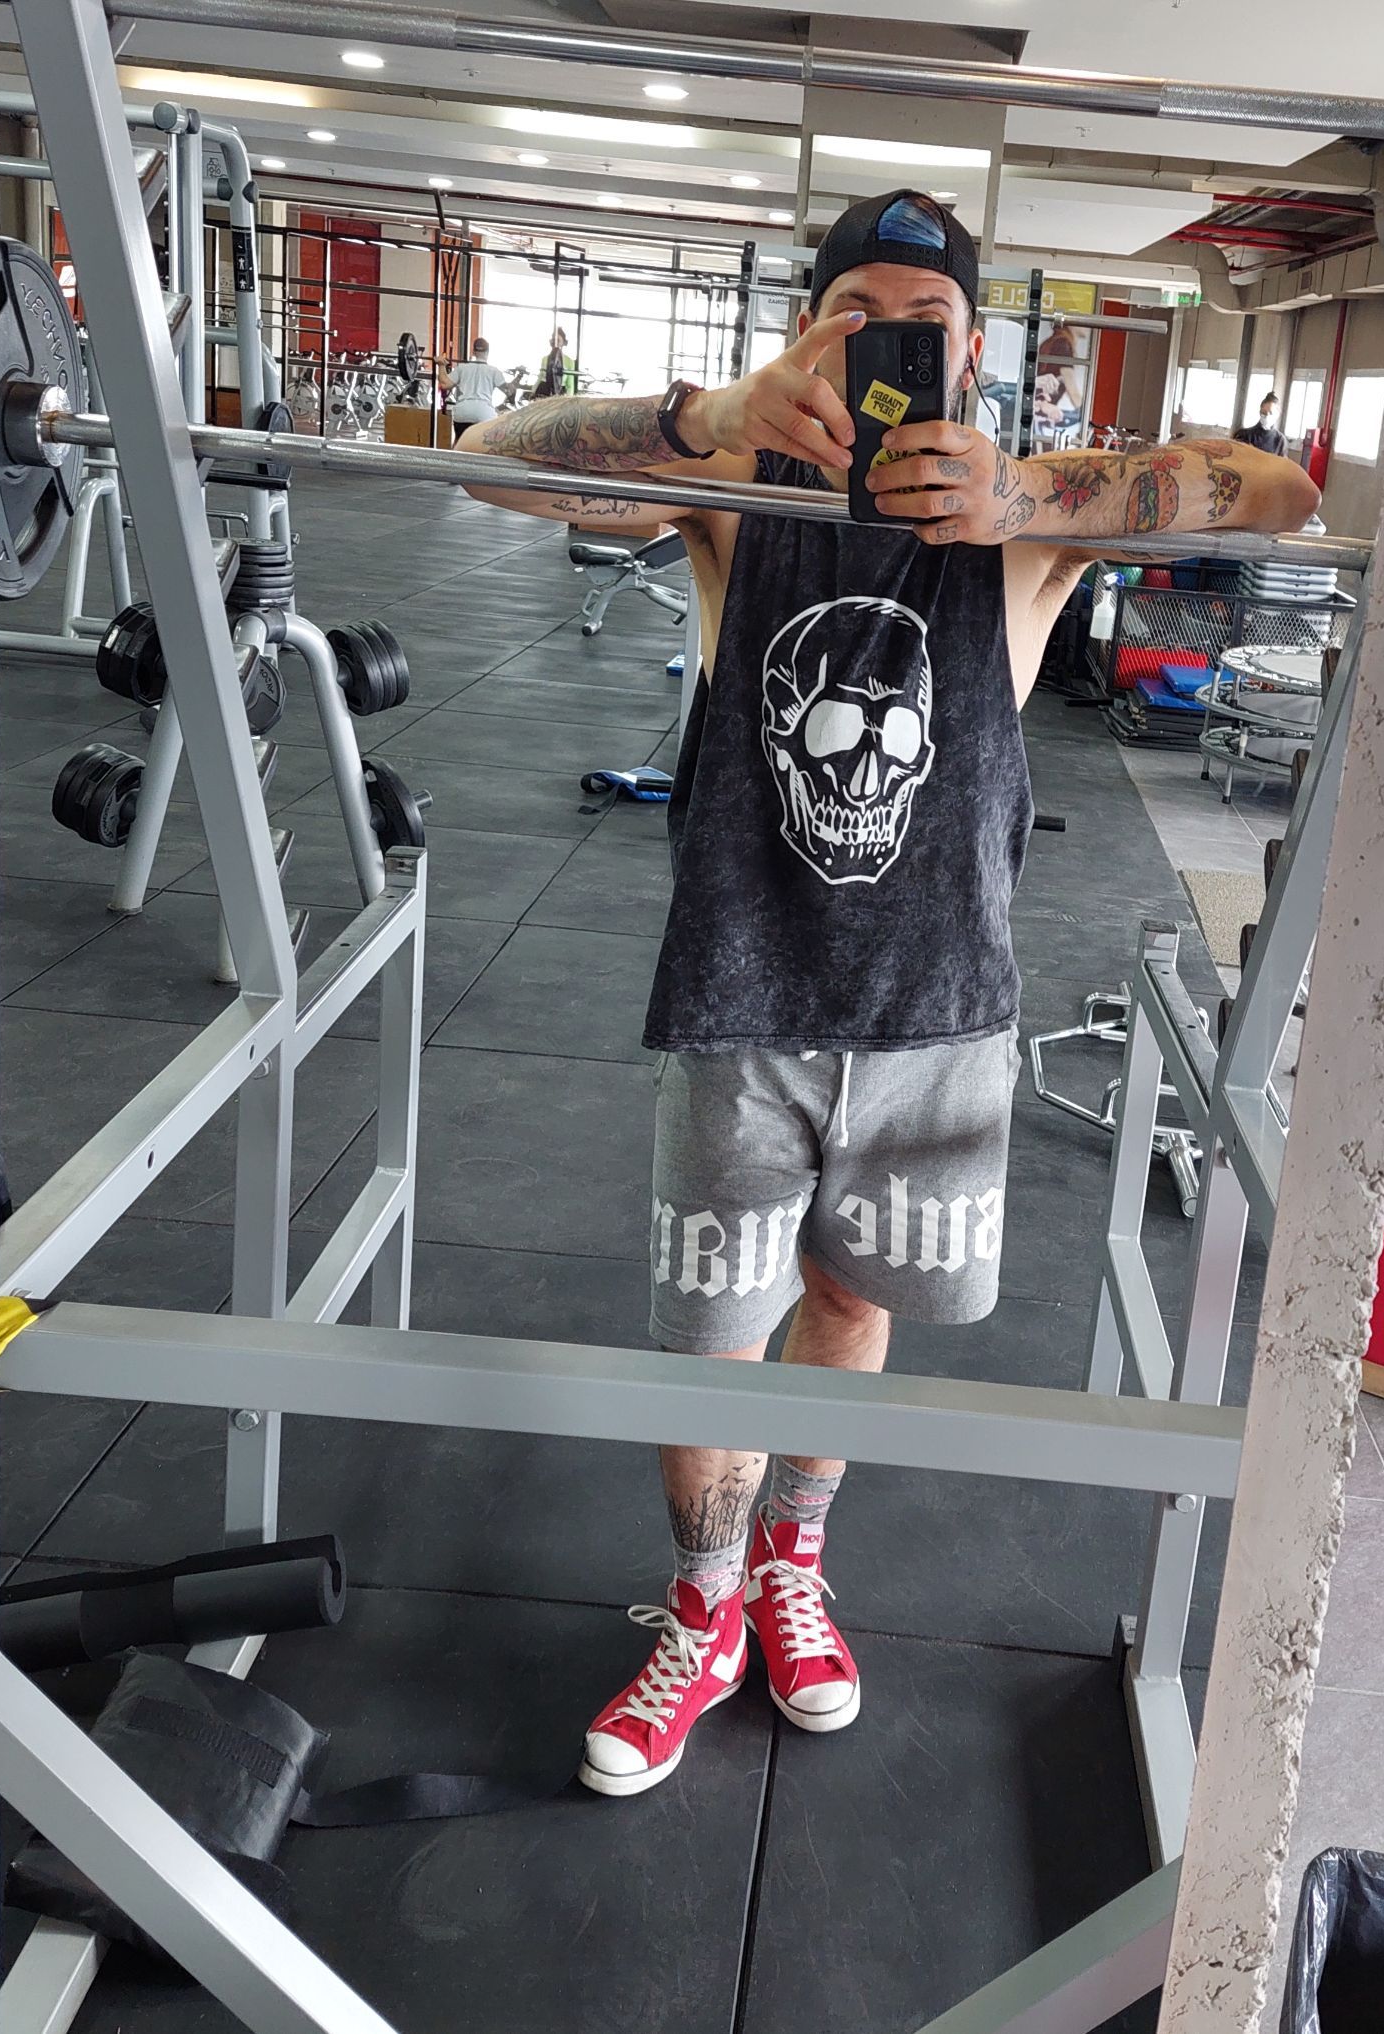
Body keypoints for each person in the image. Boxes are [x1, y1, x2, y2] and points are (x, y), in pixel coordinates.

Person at [455, 189, 1318, 1799]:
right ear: (810, 328)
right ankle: (704, 1607)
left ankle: (792, 1563)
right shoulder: (729, 492)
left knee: (848, 1306)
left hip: (936, 1016)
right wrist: (705, 417)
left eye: (925, 318)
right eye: (857, 310)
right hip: (745, 1003)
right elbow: (491, 461)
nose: (890, 340)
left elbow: (1279, 491)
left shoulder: (1037, 525)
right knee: (713, 1341)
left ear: (971, 352)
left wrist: (1027, 487)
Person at [438, 335, 504, 442]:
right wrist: (518, 377)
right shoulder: (494, 371)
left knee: (460, 442)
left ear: (473, 352)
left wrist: (441, 365)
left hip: (463, 413)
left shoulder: (462, 368)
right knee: (483, 445)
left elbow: (444, 384)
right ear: (488, 352)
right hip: (484, 415)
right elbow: (509, 391)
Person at [1237, 389, 1287, 457]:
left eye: (1270, 413)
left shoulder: (1280, 440)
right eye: (1264, 412)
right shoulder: (1245, 435)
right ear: (1260, 412)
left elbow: (1282, 463)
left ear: (1277, 415)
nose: (1267, 416)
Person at [535, 326, 573, 400]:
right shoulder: (545, 359)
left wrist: (569, 400)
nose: (555, 343)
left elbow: (570, 384)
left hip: (560, 393)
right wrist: (533, 391)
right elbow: (540, 377)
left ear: (563, 342)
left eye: (558, 340)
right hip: (542, 390)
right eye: (553, 340)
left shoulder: (569, 361)